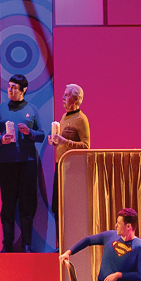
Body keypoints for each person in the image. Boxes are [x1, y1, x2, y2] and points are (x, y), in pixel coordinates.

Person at [0, 74, 46, 252]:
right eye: (9, 86)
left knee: (27, 204)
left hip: (27, 163)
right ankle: (7, 244)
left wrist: (30, 132)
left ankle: (26, 244)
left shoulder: (32, 109)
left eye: (14, 87)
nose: (10, 90)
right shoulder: (1, 109)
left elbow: (42, 134)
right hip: (7, 163)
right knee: (7, 204)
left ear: (24, 90)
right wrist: (0, 139)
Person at [49, 82, 90, 217]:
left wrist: (65, 142)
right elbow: (63, 142)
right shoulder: (64, 117)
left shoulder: (81, 119)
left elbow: (86, 146)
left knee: (68, 207)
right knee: (57, 207)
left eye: (66, 95)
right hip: (60, 166)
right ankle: (59, 231)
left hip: (72, 170)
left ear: (76, 99)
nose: (63, 98)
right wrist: (55, 141)